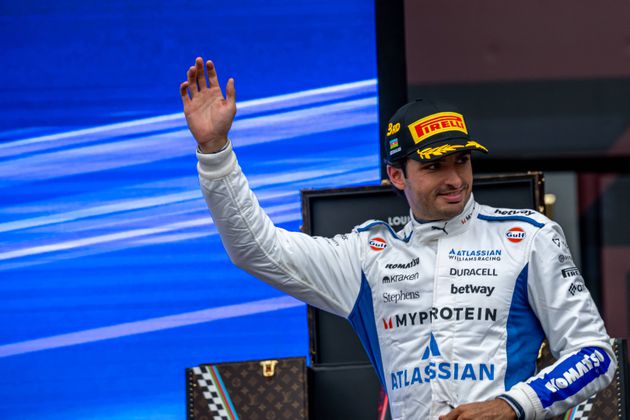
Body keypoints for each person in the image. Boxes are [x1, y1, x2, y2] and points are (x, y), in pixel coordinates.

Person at [180, 57, 617, 420]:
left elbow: (595, 355)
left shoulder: (529, 236)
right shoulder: (366, 254)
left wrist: (511, 406)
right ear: (396, 175)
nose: (454, 179)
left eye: (462, 161)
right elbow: (256, 249)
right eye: (433, 166)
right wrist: (215, 153)